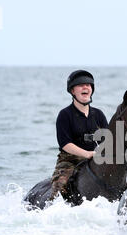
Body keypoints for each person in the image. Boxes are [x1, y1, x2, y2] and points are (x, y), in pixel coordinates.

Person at [50, 70, 108, 200]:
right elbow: (65, 144)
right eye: (81, 85)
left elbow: (108, 140)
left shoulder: (98, 115)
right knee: (60, 186)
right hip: (69, 161)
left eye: (89, 85)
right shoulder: (65, 114)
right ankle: (50, 209)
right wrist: (87, 154)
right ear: (72, 91)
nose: (86, 87)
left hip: (95, 159)